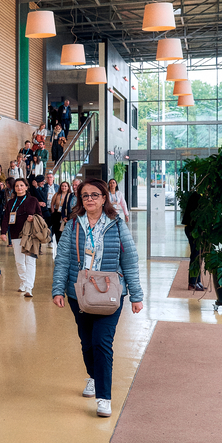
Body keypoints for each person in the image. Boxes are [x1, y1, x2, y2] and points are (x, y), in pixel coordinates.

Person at [52, 178, 143, 418]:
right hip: (79, 294)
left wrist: (136, 295)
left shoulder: (117, 224)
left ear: (104, 198)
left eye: (95, 195)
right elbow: (62, 259)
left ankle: (104, 397)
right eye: (85, 195)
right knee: (87, 342)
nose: (90, 199)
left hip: (110, 293)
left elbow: (130, 261)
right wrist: (58, 289)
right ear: (80, 200)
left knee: (102, 342)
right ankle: (93, 376)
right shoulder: (73, 225)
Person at [1, 176, 41, 298]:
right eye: (17, 186)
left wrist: (34, 218)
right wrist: (3, 232)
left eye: (22, 185)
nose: (19, 188)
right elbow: (6, 218)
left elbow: (40, 215)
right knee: (19, 261)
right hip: (15, 234)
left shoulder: (33, 200)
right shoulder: (11, 202)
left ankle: (29, 287)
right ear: (14, 188)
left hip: (30, 235)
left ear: (26, 187)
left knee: (30, 261)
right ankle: (23, 281)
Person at [181, 188, 205, 290]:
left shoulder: (201, 197)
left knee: (199, 255)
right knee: (196, 255)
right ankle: (192, 282)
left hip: (198, 229)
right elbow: (192, 216)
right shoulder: (196, 196)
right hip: (193, 229)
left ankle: (197, 281)